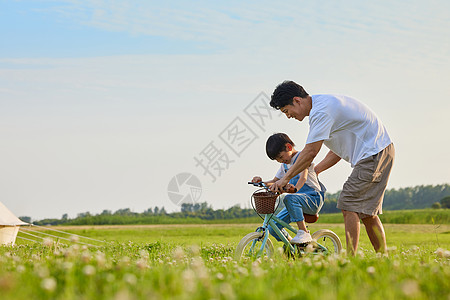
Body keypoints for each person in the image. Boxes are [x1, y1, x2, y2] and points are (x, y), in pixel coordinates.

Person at [269, 80, 395, 255]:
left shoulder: (321, 111)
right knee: (367, 214)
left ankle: (349, 260)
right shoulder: (321, 107)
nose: (288, 116)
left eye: (286, 111)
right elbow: (337, 151)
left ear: (297, 100)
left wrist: (285, 178)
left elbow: (310, 151)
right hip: (377, 151)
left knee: (349, 204)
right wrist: (316, 170)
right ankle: (384, 258)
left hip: (374, 152)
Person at [251, 133, 326, 244]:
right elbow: (275, 181)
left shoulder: (302, 157)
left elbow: (303, 178)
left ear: (289, 147)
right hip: (296, 200)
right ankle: (294, 245)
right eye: (277, 160)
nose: (280, 161)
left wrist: (295, 189)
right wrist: (261, 182)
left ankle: (303, 232)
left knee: (289, 198)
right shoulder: (285, 165)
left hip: (312, 198)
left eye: (281, 157)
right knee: (273, 228)